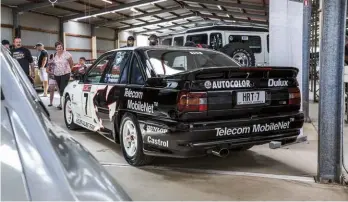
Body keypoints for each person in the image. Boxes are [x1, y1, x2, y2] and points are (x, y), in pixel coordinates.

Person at [53, 41, 73, 110]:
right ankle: (62, 102)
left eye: (61, 46)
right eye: (58, 47)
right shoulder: (55, 54)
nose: (60, 48)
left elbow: (71, 63)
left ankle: (62, 104)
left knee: (62, 88)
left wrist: (69, 71)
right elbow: (53, 64)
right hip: (57, 74)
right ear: (56, 48)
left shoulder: (67, 54)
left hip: (65, 73)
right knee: (60, 89)